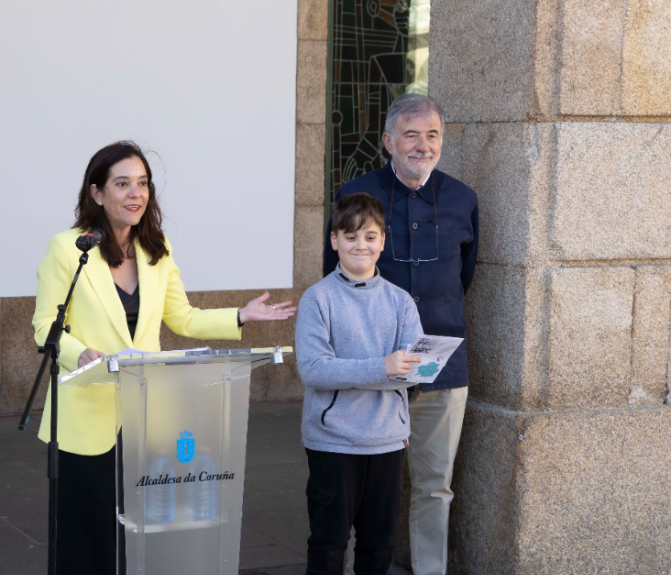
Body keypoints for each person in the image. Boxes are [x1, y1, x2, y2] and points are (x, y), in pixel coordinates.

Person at [33, 141, 297, 574]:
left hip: (146, 413)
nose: (135, 193)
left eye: (143, 183)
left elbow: (181, 317)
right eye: (123, 184)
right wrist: (81, 354)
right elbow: (47, 325)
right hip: (86, 417)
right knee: (87, 535)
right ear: (97, 193)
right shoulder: (68, 249)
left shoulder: (156, 249)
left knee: (141, 530)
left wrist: (241, 315)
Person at [322, 93, 479, 575]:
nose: (422, 145)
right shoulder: (356, 192)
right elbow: (335, 278)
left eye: (432, 134)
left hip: (442, 366)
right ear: (388, 140)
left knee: (435, 483)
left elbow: (465, 275)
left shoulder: (463, 199)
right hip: (373, 370)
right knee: (364, 484)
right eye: (410, 134)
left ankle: (429, 569)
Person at [297, 192, 424, 575]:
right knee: (328, 545)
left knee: (379, 546)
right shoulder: (317, 300)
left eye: (370, 236)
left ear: (383, 241)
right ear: (333, 240)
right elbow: (314, 370)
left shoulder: (402, 302)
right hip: (334, 441)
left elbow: (413, 371)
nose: (360, 245)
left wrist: (386, 372)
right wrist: (385, 368)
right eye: (350, 236)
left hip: (387, 440)